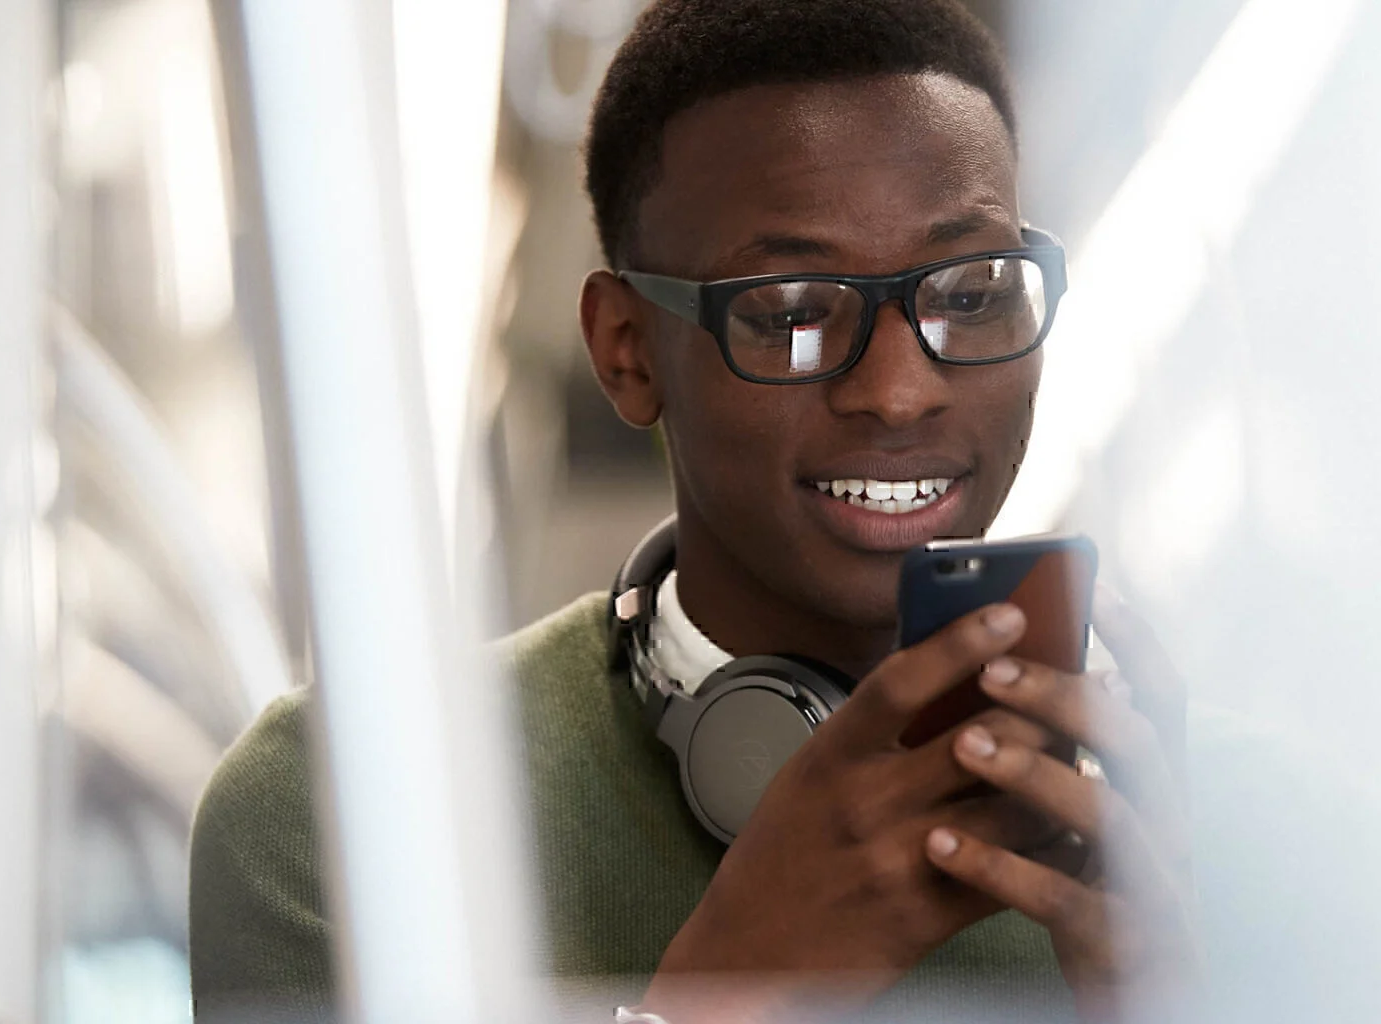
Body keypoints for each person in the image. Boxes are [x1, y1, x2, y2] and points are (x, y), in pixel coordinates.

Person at [188, 1, 1201, 1021]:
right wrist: (720, 991)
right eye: (794, 312)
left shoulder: (1259, 824)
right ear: (628, 350)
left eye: (972, 294)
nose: (900, 391)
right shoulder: (344, 814)